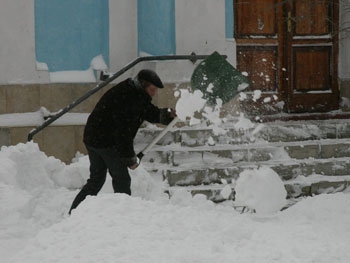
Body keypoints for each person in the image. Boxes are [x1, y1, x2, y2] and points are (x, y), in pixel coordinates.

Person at [69, 69, 176, 214]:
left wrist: (168, 114)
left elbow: (149, 112)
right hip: (105, 141)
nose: (153, 93)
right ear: (143, 85)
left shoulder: (133, 92)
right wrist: (130, 159)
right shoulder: (130, 99)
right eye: (152, 89)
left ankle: (74, 213)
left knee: (96, 180)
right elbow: (123, 134)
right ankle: (123, 217)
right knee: (122, 180)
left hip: (93, 137)